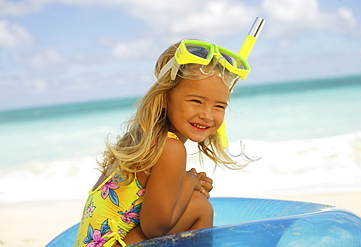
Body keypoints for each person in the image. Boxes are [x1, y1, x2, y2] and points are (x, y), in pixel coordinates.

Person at [74, 39, 251, 246]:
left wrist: (186, 183)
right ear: (165, 97)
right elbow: (155, 227)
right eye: (196, 101)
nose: (208, 115)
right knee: (199, 207)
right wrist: (189, 182)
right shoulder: (171, 148)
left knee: (194, 202)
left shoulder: (145, 140)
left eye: (219, 106)